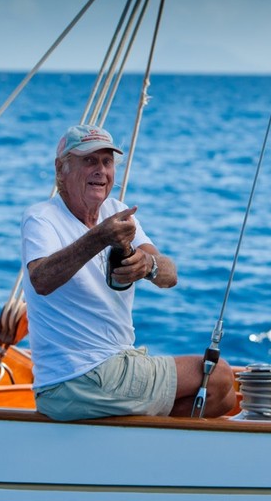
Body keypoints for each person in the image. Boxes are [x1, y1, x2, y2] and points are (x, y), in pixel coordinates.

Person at [21, 124, 235, 421]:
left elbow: (170, 275)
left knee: (223, 396)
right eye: (89, 161)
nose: (101, 171)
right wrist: (99, 238)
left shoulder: (116, 211)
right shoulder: (42, 218)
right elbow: (41, 280)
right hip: (79, 378)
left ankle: (129, 444)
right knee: (219, 378)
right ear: (62, 169)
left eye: (107, 162)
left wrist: (148, 265)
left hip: (102, 376)